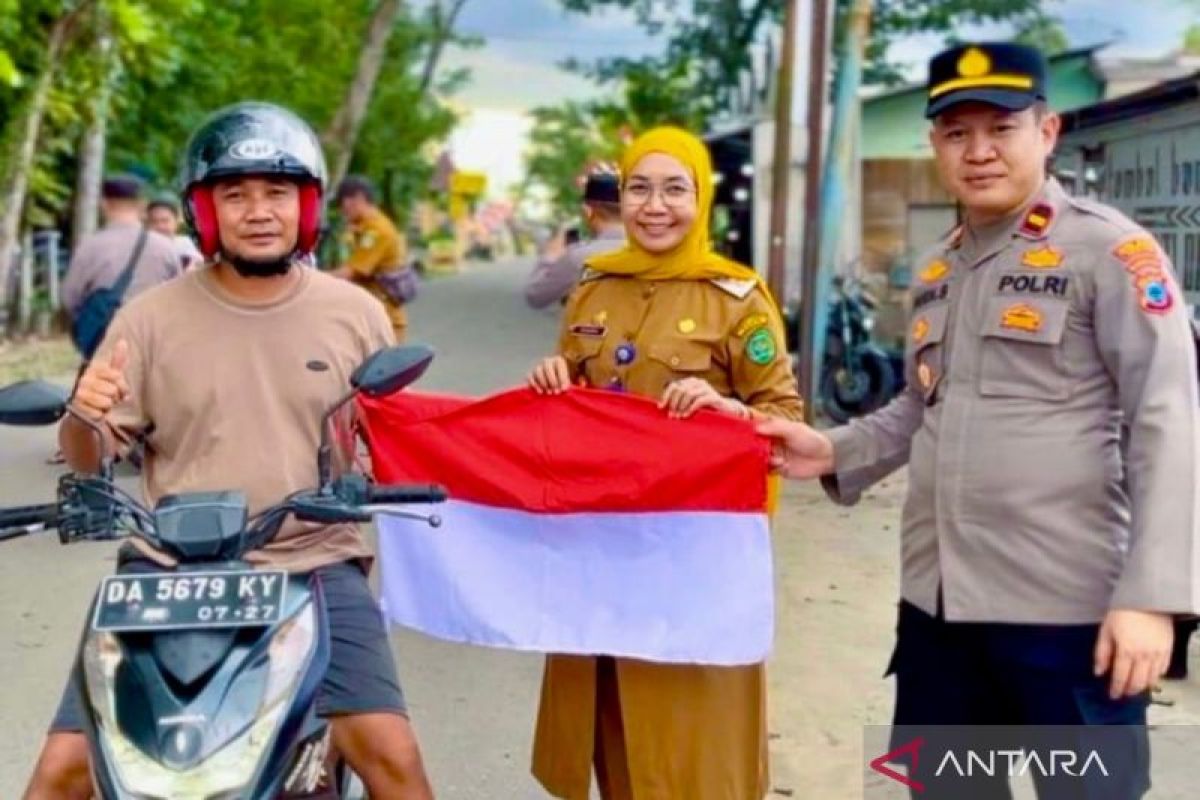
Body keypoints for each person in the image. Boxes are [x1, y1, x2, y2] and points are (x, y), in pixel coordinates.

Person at [757, 42, 1199, 798]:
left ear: (1047, 132)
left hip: (1069, 618)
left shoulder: (1109, 252)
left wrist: (1153, 599)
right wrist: (827, 450)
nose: (979, 151)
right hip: (939, 615)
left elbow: (1169, 421)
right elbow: (918, 407)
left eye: (1001, 128)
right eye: (957, 132)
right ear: (935, 145)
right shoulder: (938, 268)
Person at [23, 102, 433, 799]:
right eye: (235, 195)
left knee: (392, 757)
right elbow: (91, 457)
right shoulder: (148, 318)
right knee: (62, 771)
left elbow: (397, 437)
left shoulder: (355, 313)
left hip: (311, 559)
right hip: (166, 570)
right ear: (204, 212)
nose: (258, 212)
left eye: (277, 192)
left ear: (307, 206)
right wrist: (82, 415)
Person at [525, 126, 803, 800]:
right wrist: (552, 378)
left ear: (700, 198)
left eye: (675, 189)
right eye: (640, 189)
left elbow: (785, 420)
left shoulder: (737, 297)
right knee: (611, 718)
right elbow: (572, 403)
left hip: (691, 561)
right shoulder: (593, 289)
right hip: (601, 552)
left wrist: (727, 411)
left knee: (695, 736)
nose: (655, 206)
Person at [61, 174, 181, 333]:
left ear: (104, 204)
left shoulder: (90, 247)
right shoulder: (166, 247)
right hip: (154, 336)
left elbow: (69, 298)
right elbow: (178, 296)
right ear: (142, 205)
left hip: (105, 338)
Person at [524, 170, 625, 309]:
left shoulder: (579, 257)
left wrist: (551, 255)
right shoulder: (652, 251)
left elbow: (535, 295)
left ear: (588, 211)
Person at [327, 175, 411, 342]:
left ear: (358, 199)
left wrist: (312, 279)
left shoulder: (377, 231)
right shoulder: (361, 228)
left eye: (342, 204)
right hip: (366, 317)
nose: (342, 210)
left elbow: (351, 272)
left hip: (384, 321)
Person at [146, 193, 203, 269]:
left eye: (165, 221)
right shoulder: (144, 249)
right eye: (154, 221)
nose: (160, 226)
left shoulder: (184, 244)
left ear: (177, 221)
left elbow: (197, 266)